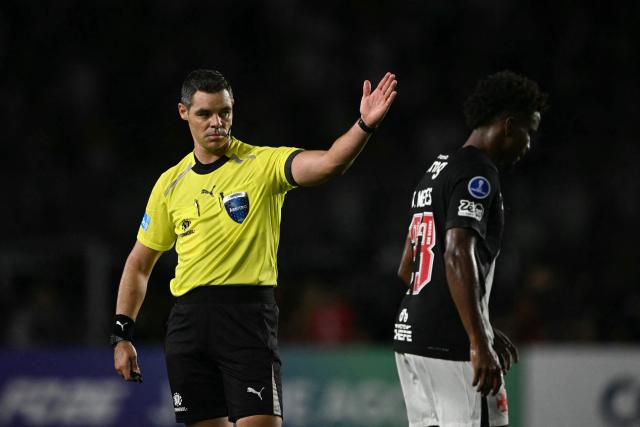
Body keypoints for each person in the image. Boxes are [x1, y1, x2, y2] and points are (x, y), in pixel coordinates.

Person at [110, 69, 397, 427]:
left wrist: (364, 125)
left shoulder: (262, 165)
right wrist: (122, 334)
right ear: (183, 113)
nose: (217, 122)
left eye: (225, 112)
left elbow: (329, 163)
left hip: (246, 320)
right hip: (188, 325)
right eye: (204, 114)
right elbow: (139, 262)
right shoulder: (170, 184)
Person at [393, 70, 548, 427]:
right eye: (529, 131)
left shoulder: (436, 170)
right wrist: (478, 339)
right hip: (452, 347)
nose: (529, 144)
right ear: (509, 125)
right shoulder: (478, 172)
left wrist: (482, 323)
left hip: (410, 339)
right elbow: (457, 252)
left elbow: (408, 267)